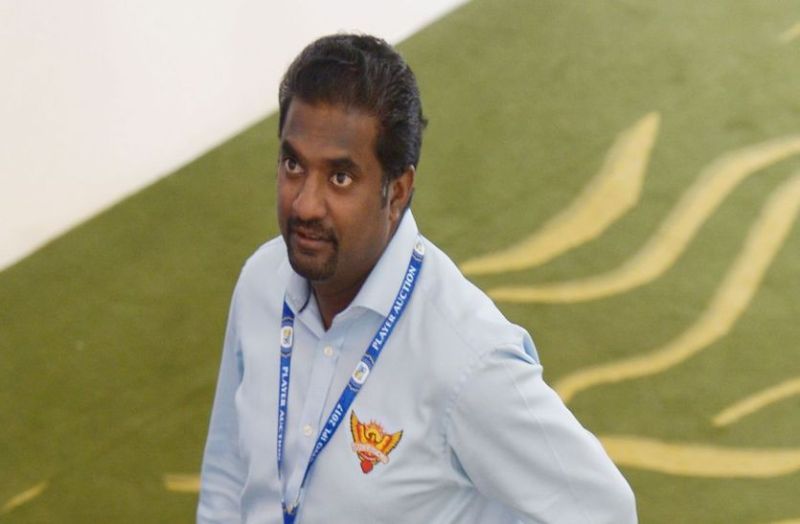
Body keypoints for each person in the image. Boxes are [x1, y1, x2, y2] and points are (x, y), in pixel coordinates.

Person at [198, 34, 637, 524]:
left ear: (398, 190)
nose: (305, 204)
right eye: (293, 164)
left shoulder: (467, 360)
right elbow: (227, 474)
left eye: (340, 177)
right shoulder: (261, 282)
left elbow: (605, 511)